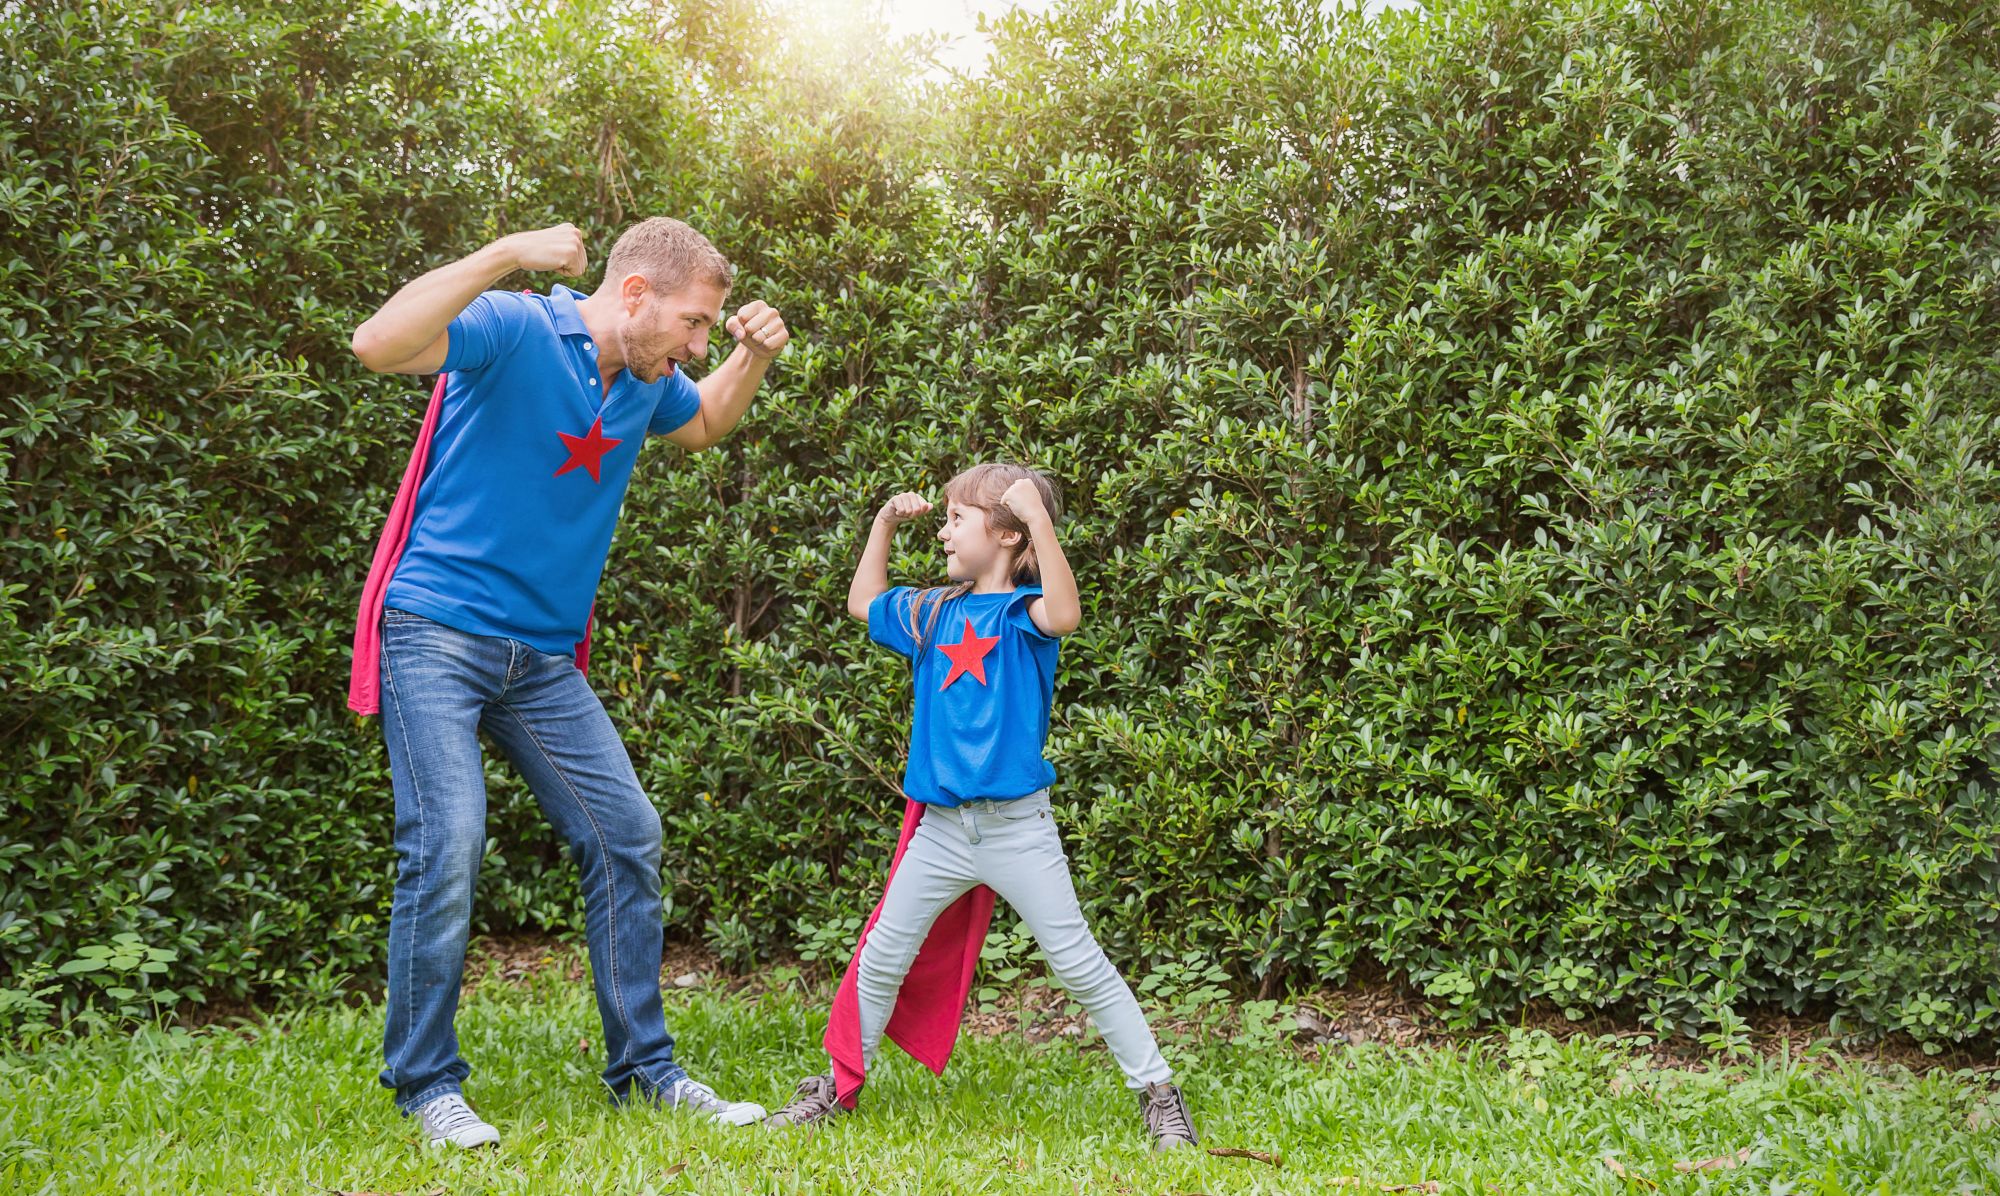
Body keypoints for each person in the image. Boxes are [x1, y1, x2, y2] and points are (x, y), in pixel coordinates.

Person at [345, 217, 787, 1148]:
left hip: (540, 660)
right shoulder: (511, 325)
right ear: (635, 296)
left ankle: (646, 1072)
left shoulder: (649, 381)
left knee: (626, 834)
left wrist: (748, 356)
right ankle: (427, 1084)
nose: (697, 344)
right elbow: (377, 345)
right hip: (435, 632)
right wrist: (507, 250)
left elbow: (706, 424)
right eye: (695, 323)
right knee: (449, 840)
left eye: (710, 329)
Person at [765, 463, 1198, 1150]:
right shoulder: (934, 612)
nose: (942, 530)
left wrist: (1041, 521)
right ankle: (835, 1088)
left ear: (1003, 534)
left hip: (1017, 830)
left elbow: (1066, 611)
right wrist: (881, 525)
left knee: (1078, 961)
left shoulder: (1023, 617)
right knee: (881, 956)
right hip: (941, 833)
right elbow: (862, 601)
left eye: (957, 519)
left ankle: (1159, 1093)